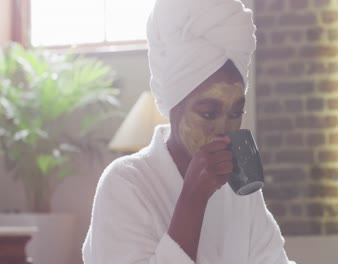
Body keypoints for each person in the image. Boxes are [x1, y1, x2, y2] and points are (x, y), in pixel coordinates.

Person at [82, 0, 296, 263]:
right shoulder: (125, 183)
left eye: (235, 113)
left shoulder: (240, 189)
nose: (224, 129)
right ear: (174, 108)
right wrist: (193, 198)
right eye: (208, 113)